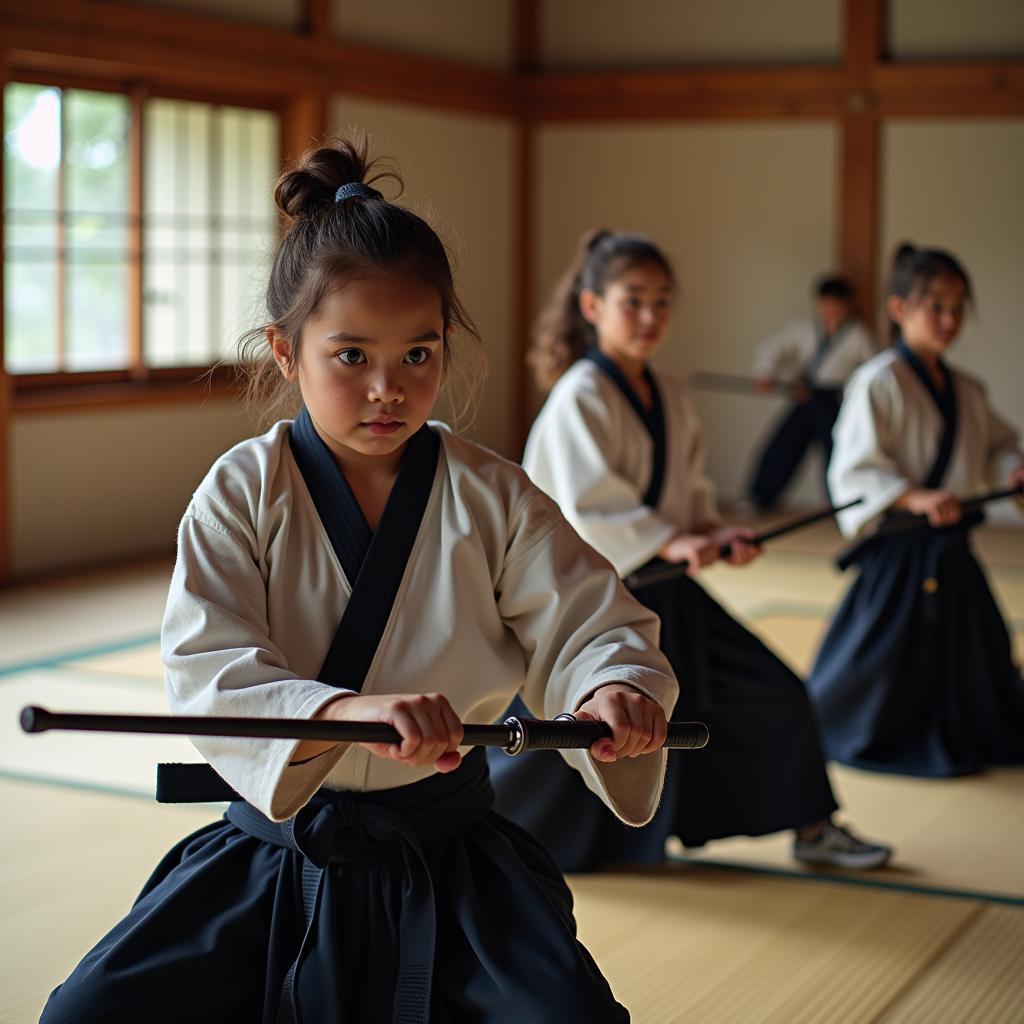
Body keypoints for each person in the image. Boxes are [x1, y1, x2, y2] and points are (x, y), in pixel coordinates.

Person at [41, 142, 680, 1024]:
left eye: (418, 355)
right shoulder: (242, 490)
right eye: (351, 357)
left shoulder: (491, 492)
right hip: (275, 858)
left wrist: (612, 690)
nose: (389, 389)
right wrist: (343, 714)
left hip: (448, 852)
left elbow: (586, 618)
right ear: (285, 350)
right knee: (88, 1014)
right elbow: (211, 669)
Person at [490, 230, 890, 874]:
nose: (651, 317)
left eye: (662, 302)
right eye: (633, 301)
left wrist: (711, 532)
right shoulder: (578, 397)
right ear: (592, 307)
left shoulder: (670, 394)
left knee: (777, 693)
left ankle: (815, 826)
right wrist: (675, 540)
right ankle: (500, 847)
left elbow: (689, 491)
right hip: (590, 609)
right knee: (570, 742)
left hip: (667, 591)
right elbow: (587, 512)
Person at [807, 243, 1024, 777]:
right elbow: (853, 469)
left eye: (957, 307)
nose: (949, 319)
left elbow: (1000, 445)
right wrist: (912, 496)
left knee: (978, 657)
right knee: (879, 665)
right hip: (899, 558)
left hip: (951, 552)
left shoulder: (968, 391)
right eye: (936, 306)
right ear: (899, 308)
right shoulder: (878, 381)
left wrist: (1013, 472)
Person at [746, 274, 875, 510]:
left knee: (839, 454)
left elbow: (871, 370)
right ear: (818, 303)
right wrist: (766, 374)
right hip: (805, 395)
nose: (832, 310)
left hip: (836, 400)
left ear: (848, 306)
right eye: (827, 303)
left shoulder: (858, 334)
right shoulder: (803, 329)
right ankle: (759, 498)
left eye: (838, 304)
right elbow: (773, 348)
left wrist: (853, 396)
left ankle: (841, 505)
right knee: (783, 446)